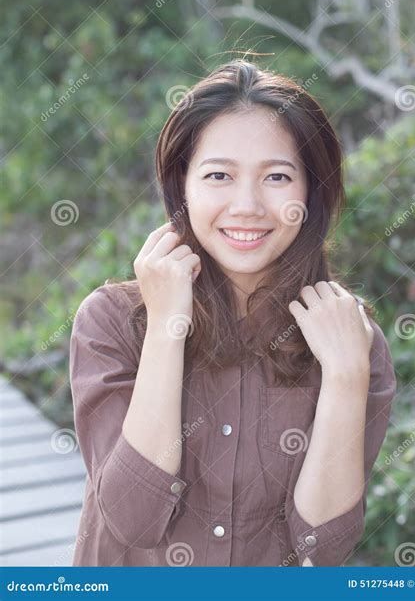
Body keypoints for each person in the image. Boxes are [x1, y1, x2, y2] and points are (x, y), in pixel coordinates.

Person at [70, 59, 397, 566]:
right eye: (219, 174)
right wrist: (165, 328)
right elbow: (134, 518)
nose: (247, 205)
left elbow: (320, 549)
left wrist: (348, 374)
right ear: (183, 185)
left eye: (278, 176)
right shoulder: (110, 321)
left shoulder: (349, 338)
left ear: (312, 191)